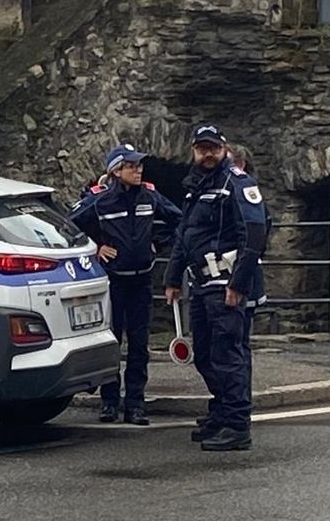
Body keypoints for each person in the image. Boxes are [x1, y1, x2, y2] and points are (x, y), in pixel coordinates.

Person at [164, 125, 269, 451]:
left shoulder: (236, 182)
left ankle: (236, 424)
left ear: (223, 149)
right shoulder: (195, 186)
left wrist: (238, 283)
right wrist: (172, 277)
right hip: (201, 282)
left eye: (213, 148)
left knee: (228, 354)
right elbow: (185, 234)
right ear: (193, 151)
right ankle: (222, 412)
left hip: (225, 283)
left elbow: (254, 234)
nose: (207, 154)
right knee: (206, 354)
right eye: (201, 149)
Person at [70, 144, 182, 425]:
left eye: (139, 165)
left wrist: (158, 242)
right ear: (116, 171)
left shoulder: (150, 196)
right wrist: (96, 247)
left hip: (141, 281)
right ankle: (109, 402)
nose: (138, 170)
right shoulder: (100, 200)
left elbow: (178, 219)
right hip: (113, 282)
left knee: (139, 345)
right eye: (131, 166)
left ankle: (135, 404)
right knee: (112, 342)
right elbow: (68, 226)